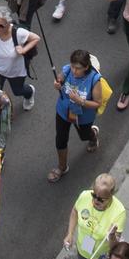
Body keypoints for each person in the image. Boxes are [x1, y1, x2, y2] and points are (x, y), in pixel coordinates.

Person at [60, 171, 127, 259]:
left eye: (101, 199)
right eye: (94, 195)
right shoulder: (84, 196)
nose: (95, 200)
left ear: (111, 196)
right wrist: (70, 233)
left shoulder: (119, 212)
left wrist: (112, 236)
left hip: (101, 256)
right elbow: (75, 211)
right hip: (83, 250)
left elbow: (115, 246)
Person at [49, 47, 104, 181]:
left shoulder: (94, 80)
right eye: (73, 66)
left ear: (86, 67)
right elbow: (60, 78)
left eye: (78, 68)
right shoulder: (68, 69)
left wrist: (81, 101)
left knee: (84, 136)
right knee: (60, 139)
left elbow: (98, 103)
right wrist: (57, 83)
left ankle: (92, 135)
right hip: (63, 111)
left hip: (83, 117)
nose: (74, 71)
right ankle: (62, 167)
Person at [0, 4, 38, 109]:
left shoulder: (18, 33)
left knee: (18, 91)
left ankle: (30, 92)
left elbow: (36, 38)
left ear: (8, 24)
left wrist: (23, 50)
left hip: (15, 72)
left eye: (1, 25)